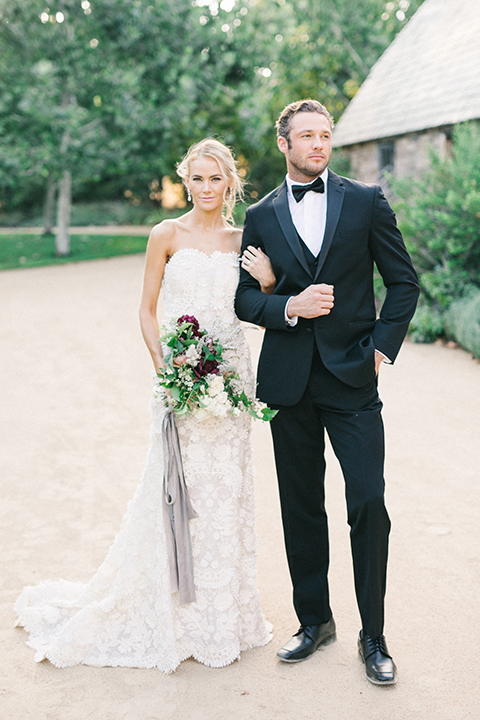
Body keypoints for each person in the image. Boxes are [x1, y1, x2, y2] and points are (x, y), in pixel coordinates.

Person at [15, 138, 274, 673]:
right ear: (187, 181)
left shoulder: (245, 238)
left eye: (214, 178)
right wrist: (168, 371)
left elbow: (255, 308)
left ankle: (221, 618)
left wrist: (269, 280)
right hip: (181, 379)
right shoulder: (166, 234)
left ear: (230, 181)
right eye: (196, 179)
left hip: (231, 377)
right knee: (175, 493)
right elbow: (147, 309)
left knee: (225, 497)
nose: (205, 188)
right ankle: (172, 616)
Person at [235, 99, 420, 685]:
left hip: (353, 378)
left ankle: (375, 635)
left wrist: (381, 347)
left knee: (368, 502)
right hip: (289, 383)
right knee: (301, 506)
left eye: (326, 135)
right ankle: (314, 620)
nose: (319, 144)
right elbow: (242, 298)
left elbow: (403, 283)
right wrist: (286, 304)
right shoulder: (262, 214)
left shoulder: (365, 201)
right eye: (307, 136)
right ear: (284, 144)